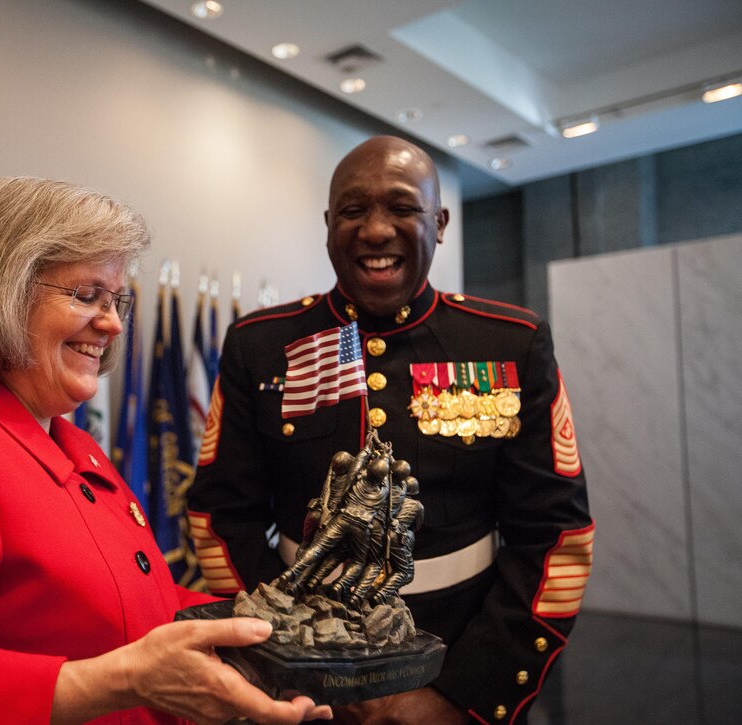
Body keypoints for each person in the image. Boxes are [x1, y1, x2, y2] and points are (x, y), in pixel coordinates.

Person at [0, 177, 333, 724]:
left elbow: (137, 605)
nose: (111, 323)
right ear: (0, 291)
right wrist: (125, 680)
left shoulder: (72, 442)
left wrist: (272, 634)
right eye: (87, 295)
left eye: (116, 300)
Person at [187, 137, 594, 724]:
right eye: (354, 211)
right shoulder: (261, 345)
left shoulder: (509, 343)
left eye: (402, 208)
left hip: (462, 655)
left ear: (440, 222)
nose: (376, 231)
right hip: (301, 680)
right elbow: (221, 518)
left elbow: (555, 537)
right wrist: (289, 660)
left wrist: (463, 696)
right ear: (329, 226)